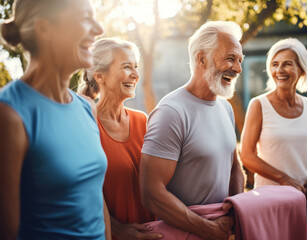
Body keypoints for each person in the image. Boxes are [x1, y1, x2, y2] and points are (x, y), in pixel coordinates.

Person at [0, 0, 110, 239]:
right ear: (44, 28)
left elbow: (96, 199)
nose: (99, 29)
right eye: (84, 18)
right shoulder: (9, 115)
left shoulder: (86, 107)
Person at [139, 21, 245, 240]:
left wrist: (235, 215)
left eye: (240, 60)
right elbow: (151, 194)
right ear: (201, 58)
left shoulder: (225, 107)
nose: (238, 68)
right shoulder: (171, 112)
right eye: (230, 58)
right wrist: (209, 230)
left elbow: (234, 166)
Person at [239, 38, 307, 240]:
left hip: (306, 200)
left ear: (301, 69)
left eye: (287, 63)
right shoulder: (258, 105)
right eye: (275, 64)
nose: (279, 70)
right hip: (270, 202)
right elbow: (247, 155)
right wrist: (285, 180)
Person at [78, 38, 162, 240]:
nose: (135, 74)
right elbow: (79, 192)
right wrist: (116, 229)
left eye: (136, 66)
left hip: (155, 233)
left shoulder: (142, 120)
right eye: (127, 67)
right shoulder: (84, 124)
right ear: (100, 76)